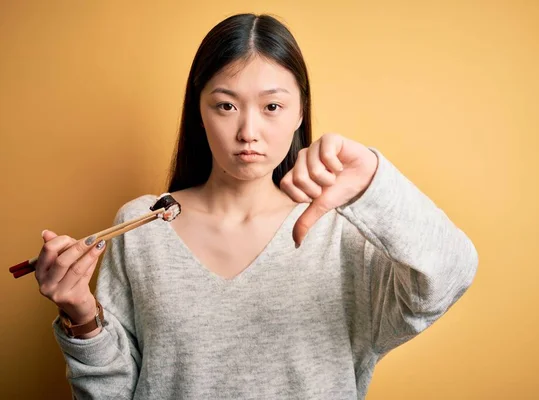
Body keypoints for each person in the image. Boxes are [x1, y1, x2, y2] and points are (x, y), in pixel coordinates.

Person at [35, 13, 478, 400]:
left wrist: (374, 182)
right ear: (198, 109)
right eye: (226, 105)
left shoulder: (341, 229)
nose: (248, 131)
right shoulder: (141, 225)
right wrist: (81, 315)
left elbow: (451, 274)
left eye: (271, 106)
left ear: (300, 110)